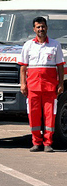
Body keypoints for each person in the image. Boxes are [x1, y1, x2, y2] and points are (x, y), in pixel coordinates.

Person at [20, 16, 64, 152]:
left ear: (47, 28)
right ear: (34, 29)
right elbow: (23, 67)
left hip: (50, 86)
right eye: (38, 27)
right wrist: (23, 84)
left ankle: (48, 143)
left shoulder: (55, 45)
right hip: (33, 86)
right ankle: (36, 142)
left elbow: (60, 66)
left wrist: (60, 84)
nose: (41, 29)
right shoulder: (28, 45)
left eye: (43, 26)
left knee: (50, 115)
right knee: (33, 114)